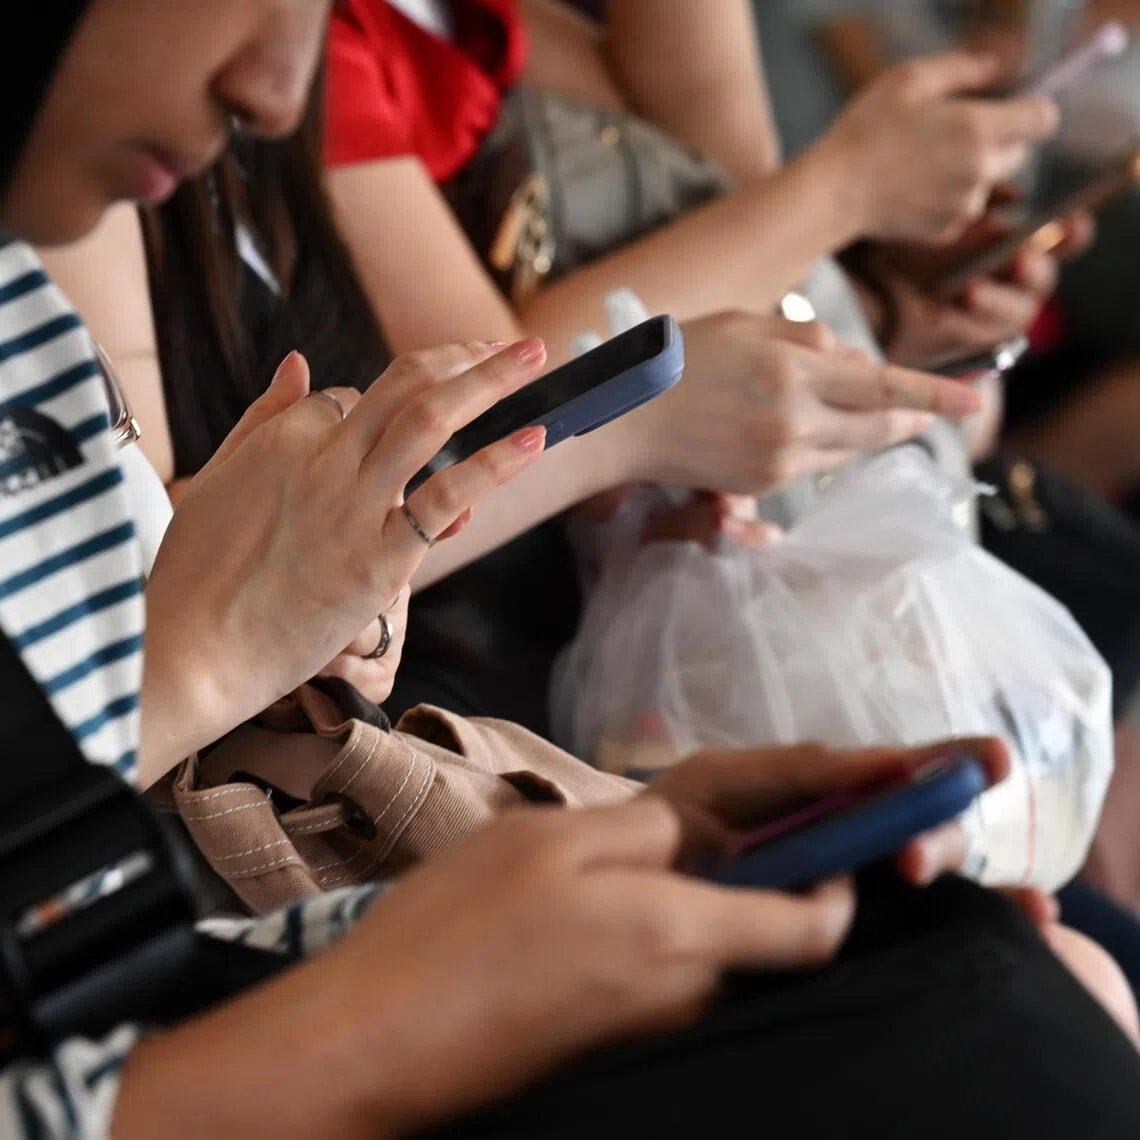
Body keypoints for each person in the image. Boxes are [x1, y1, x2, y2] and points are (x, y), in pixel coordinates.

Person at [6, 4, 1140, 1139]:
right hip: (203, 970)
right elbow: (161, 669)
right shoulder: (94, 179)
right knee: (1033, 1014)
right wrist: (393, 1012)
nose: (273, 90)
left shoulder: (51, 247)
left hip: (198, 918)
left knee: (1036, 971)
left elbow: (157, 593)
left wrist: (303, 628)